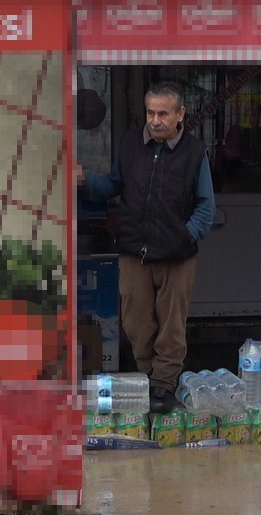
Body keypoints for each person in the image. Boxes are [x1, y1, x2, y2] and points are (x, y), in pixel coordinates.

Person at [79, 81, 216, 414]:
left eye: (163, 114)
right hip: (133, 253)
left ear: (180, 115)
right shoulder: (129, 145)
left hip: (177, 256)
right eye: (151, 113)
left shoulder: (195, 153)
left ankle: (164, 386)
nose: (155, 120)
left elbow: (206, 207)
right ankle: (146, 379)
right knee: (136, 322)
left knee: (171, 326)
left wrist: (186, 235)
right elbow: (113, 185)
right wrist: (85, 181)